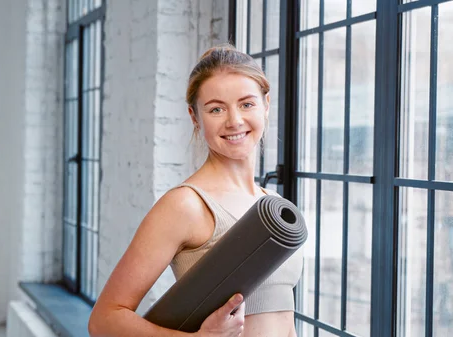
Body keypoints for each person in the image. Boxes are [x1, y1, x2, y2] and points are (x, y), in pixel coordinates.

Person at [88, 44, 303, 337]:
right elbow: (104, 321)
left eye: (247, 104)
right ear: (194, 117)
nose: (234, 120)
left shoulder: (273, 205)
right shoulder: (186, 205)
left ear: (266, 105)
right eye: (216, 108)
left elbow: (283, 322)